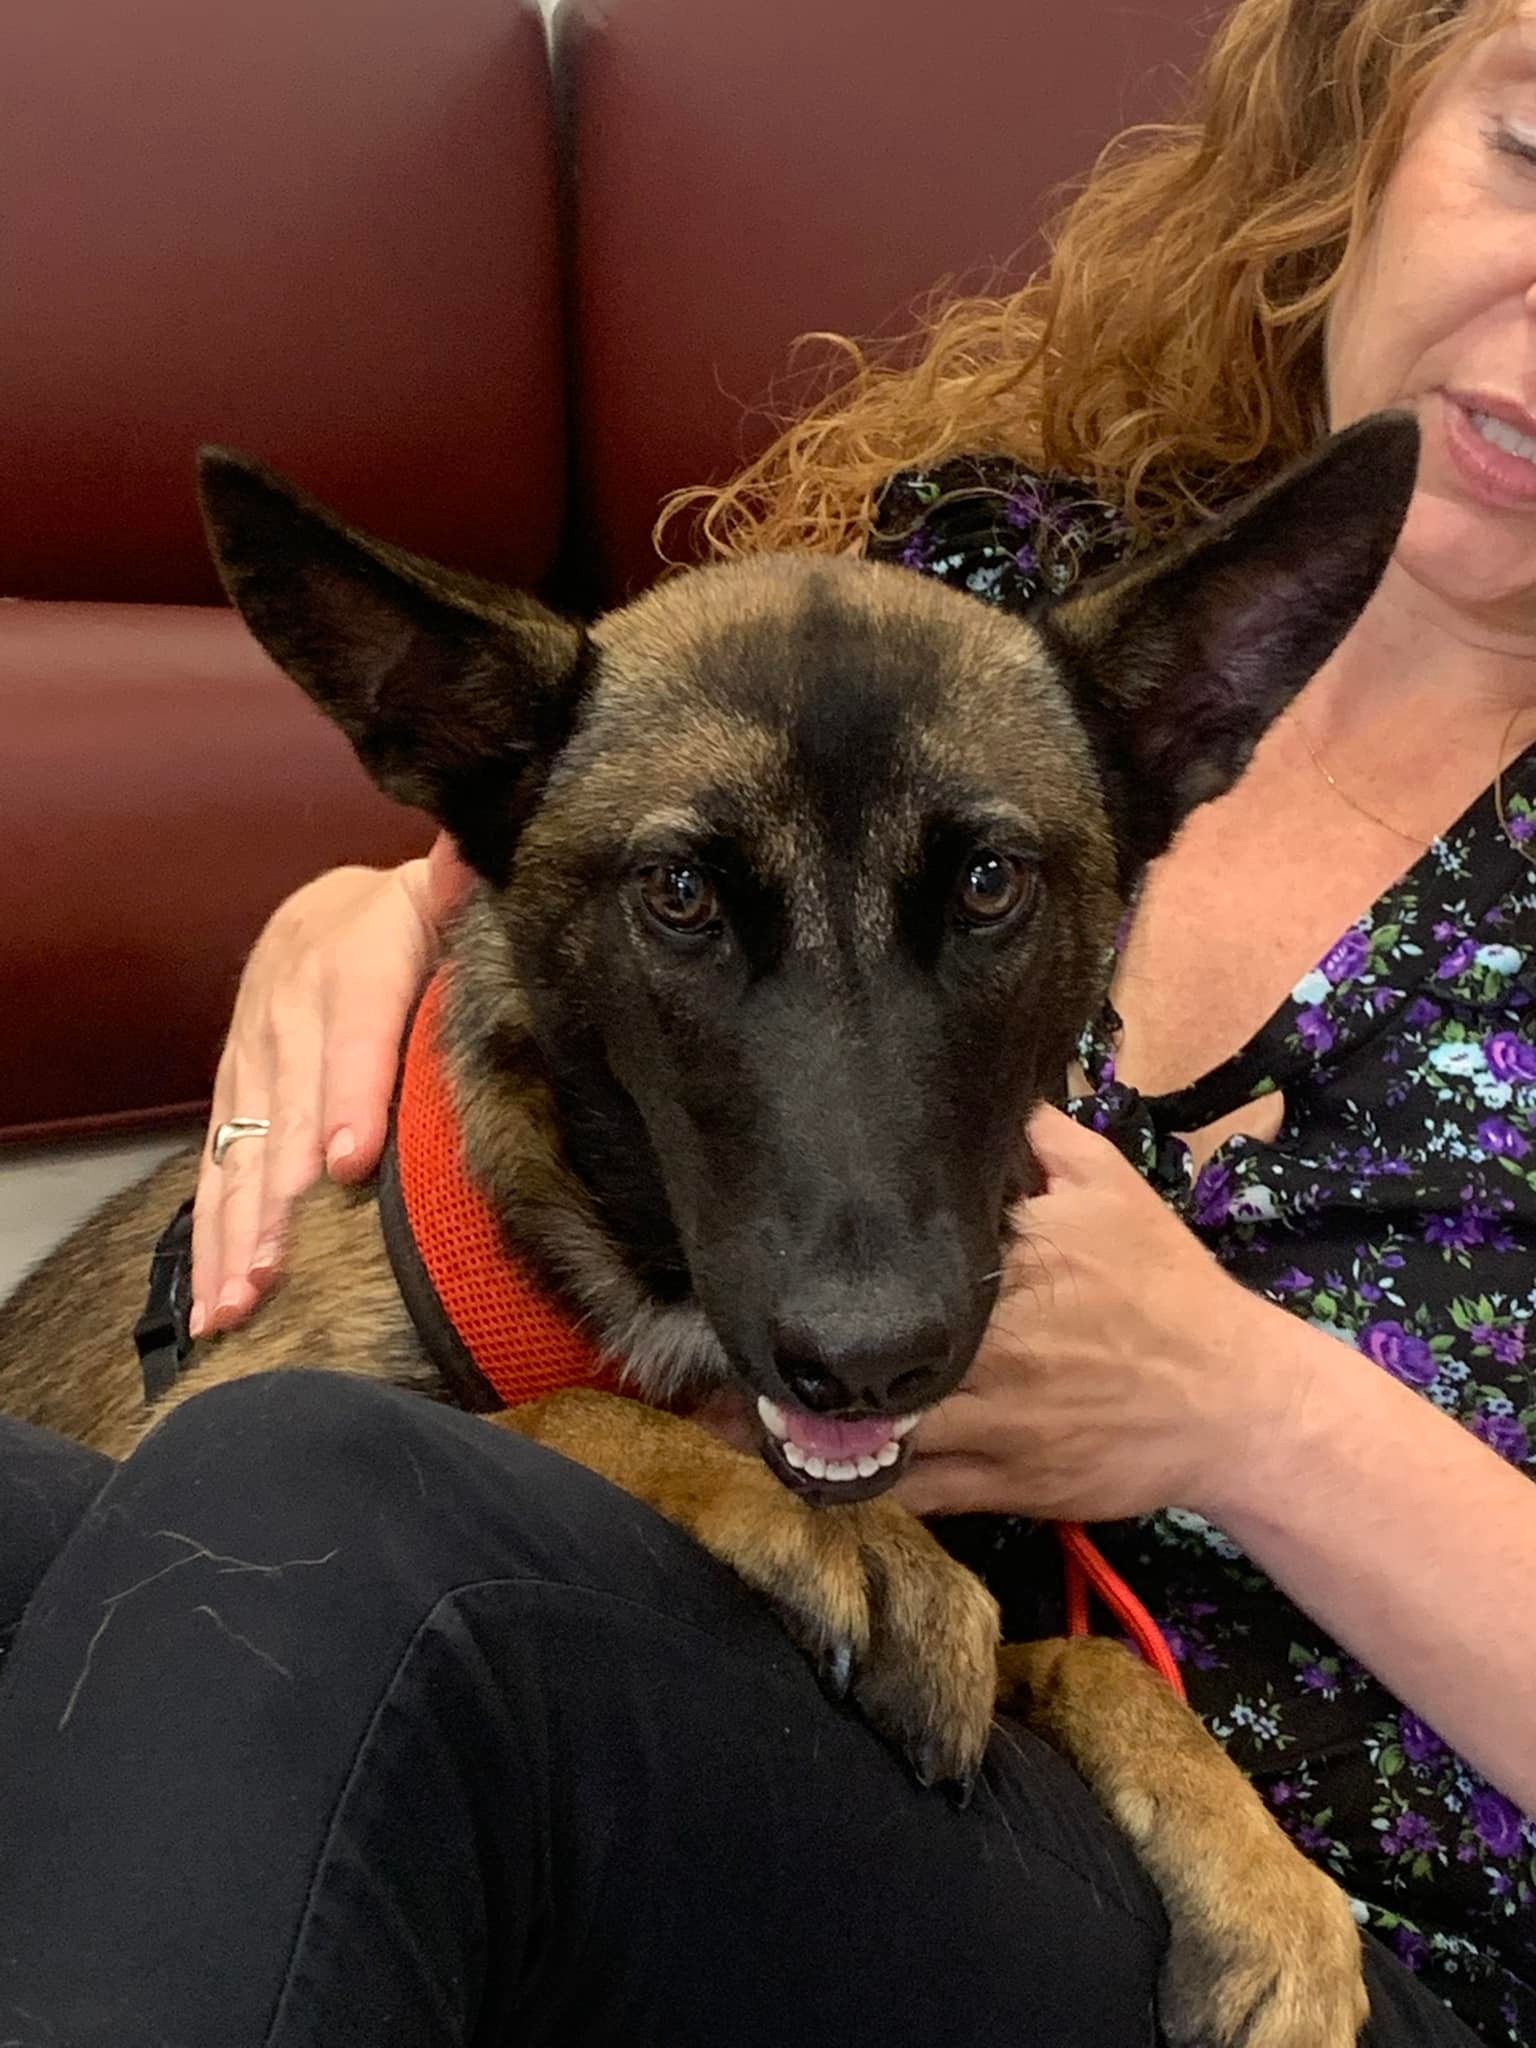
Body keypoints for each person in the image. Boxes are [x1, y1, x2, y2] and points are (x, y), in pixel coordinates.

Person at [7, 0, 1533, 2037]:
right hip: (804, 1705)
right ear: (1368, 128)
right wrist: (362, 914)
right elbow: (592, 848)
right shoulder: (989, 580)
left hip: (1313, 1951)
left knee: (324, 1507)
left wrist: (1255, 1415)